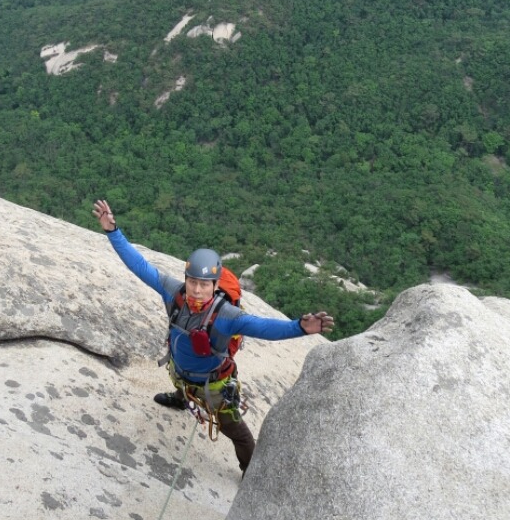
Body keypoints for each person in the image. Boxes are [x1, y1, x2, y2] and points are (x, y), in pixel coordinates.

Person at [93, 198, 334, 473]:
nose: (197, 290)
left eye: (204, 284)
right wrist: (112, 231)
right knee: (181, 380)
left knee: (236, 432)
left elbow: (264, 327)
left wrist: (299, 327)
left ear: (216, 285)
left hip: (213, 384)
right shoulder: (174, 293)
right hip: (180, 370)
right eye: (193, 282)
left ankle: (250, 471)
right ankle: (181, 398)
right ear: (186, 279)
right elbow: (139, 265)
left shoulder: (227, 316)